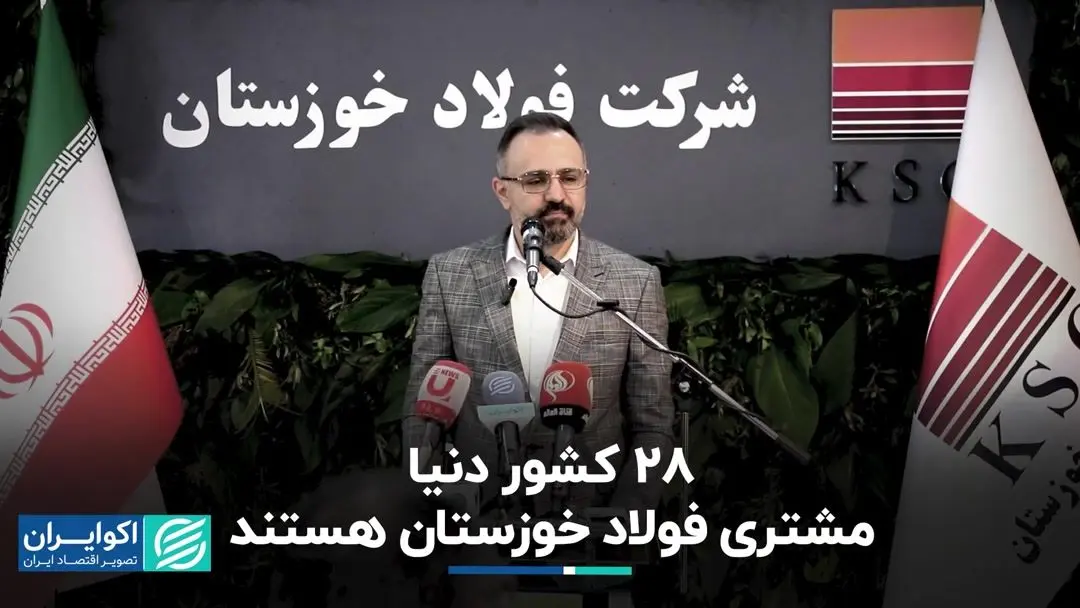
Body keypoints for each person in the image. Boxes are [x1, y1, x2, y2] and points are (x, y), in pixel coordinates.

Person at [401, 111, 675, 518]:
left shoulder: (635, 283)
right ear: (502, 191)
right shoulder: (450, 274)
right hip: (477, 522)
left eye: (570, 177)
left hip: (592, 522)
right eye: (535, 180)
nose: (556, 194)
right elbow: (422, 412)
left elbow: (653, 427)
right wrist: (439, 502)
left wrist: (626, 519)